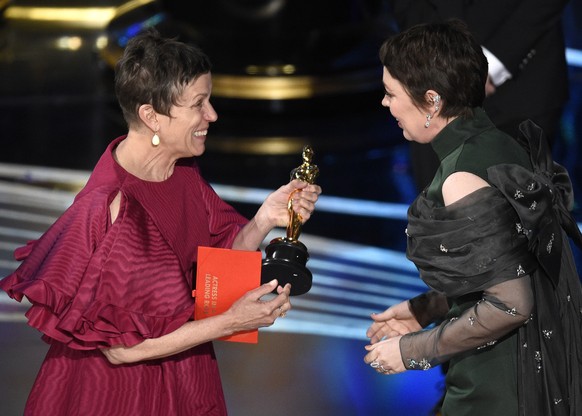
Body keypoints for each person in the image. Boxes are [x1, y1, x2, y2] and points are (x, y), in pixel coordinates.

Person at [0, 30, 321, 415]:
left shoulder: (180, 169)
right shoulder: (114, 206)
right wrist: (230, 322)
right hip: (119, 396)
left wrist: (265, 218)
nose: (212, 115)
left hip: (185, 371)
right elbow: (121, 350)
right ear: (151, 115)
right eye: (199, 104)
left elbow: (214, 266)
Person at [363, 20, 582, 416]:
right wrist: (427, 308)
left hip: (496, 384)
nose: (385, 104)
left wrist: (411, 352)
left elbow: (510, 305)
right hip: (530, 363)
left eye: (391, 94)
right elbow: (507, 265)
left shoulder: (460, 177)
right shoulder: (501, 143)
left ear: (431, 101)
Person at [387, 0, 571, 192]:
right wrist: (433, 60)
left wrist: (491, 63)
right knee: (438, 211)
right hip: (432, 84)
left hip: (521, 86)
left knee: (517, 213)